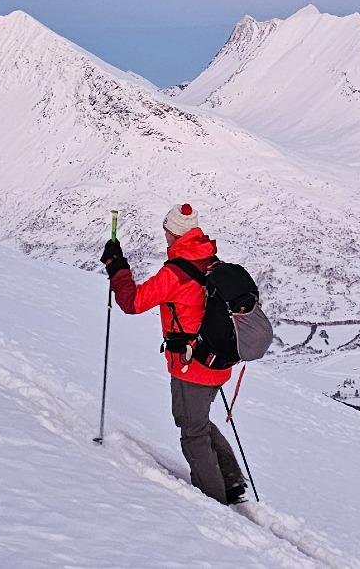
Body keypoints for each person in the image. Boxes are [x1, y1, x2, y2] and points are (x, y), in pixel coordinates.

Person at [101, 203, 248, 505]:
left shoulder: (176, 272)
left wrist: (117, 268)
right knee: (199, 421)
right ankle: (231, 481)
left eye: (166, 228)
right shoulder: (209, 258)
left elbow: (133, 302)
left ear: (173, 231)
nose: (164, 233)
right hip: (218, 362)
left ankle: (214, 499)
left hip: (191, 365)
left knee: (192, 429)